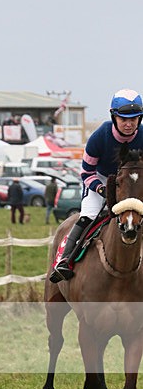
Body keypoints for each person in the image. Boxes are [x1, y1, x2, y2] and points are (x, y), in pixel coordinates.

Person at [50, 88, 143, 282]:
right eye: (123, 119)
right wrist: (101, 189)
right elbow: (86, 172)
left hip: (132, 183)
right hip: (100, 179)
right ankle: (65, 260)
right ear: (113, 117)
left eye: (133, 119)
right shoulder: (100, 136)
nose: (128, 124)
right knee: (88, 215)